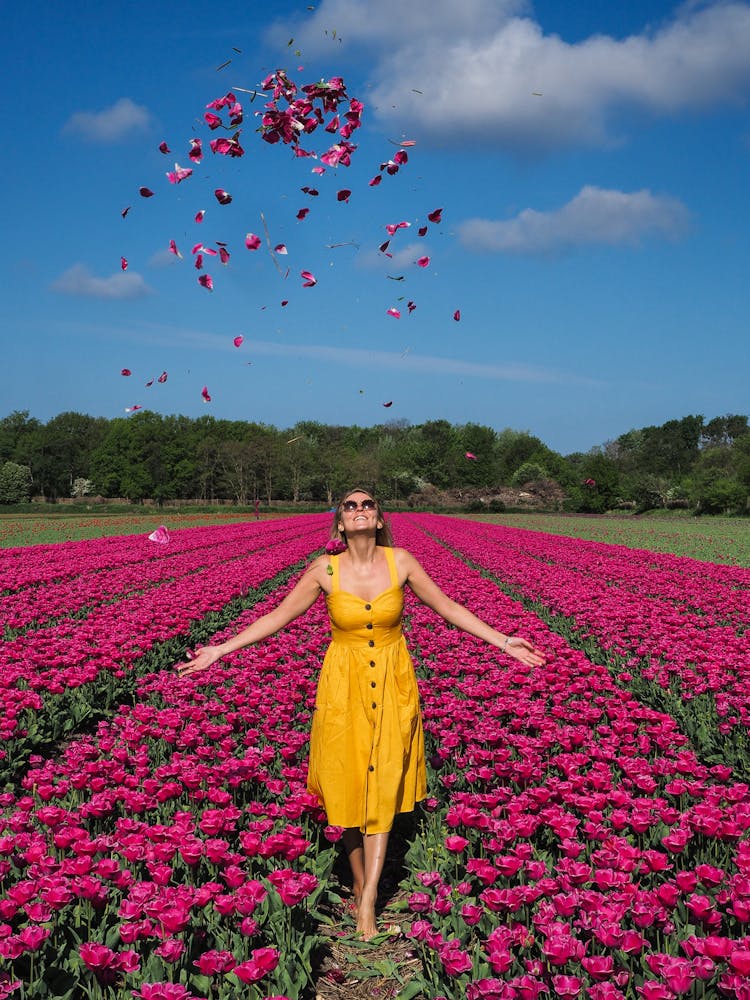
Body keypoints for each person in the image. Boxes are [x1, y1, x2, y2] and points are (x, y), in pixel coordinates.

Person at [176, 488, 546, 939]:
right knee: (348, 781)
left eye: (366, 504)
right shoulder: (323, 571)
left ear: (379, 518)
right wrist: (221, 648)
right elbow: (277, 616)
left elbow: (448, 609)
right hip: (343, 686)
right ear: (339, 523)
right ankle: (356, 879)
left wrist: (504, 641)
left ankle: (368, 898)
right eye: (349, 506)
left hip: (392, 683)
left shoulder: (402, 562)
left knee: (384, 776)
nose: (358, 511)